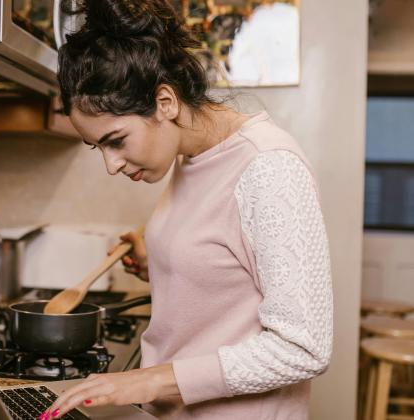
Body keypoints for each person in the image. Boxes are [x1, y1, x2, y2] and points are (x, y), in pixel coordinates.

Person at [40, 1, 333, 419]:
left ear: (165, 102)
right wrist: (160, 257)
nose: (111, 165)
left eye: (116, 140)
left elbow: (303, 348)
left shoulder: (269, 167)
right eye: (98, 147)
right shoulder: (192, 156)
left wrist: (148, 379)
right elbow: (224, 263)